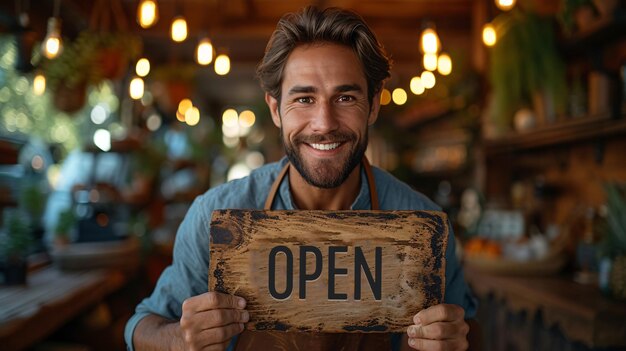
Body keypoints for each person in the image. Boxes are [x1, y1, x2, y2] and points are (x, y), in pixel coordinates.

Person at [125, 6, 479, 351]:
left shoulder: (425, 226)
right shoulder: (215, 217)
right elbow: (141, 326)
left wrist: (452, 339)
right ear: (276, 109)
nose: (324, 123)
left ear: (372, 105)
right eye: (304, 99)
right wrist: (180, 340)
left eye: (345, 97)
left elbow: (470, 328)